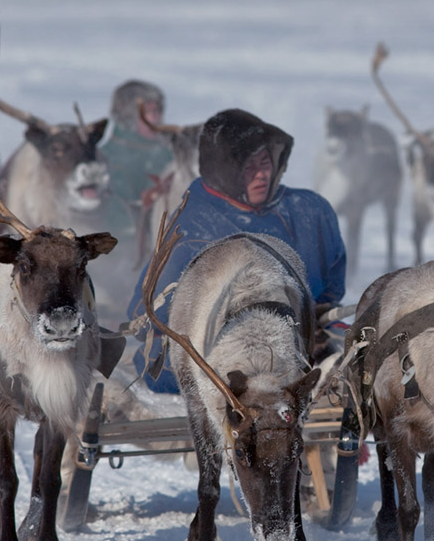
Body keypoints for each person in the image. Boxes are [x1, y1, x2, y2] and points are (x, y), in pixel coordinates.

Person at [128, 107, 347, 394]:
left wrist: (317, 320)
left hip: (301, 351)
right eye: (248, 167)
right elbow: (144, 319)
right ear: (225, 170)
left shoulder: (309, 212)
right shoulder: (192, 230)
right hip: (217, 364)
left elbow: (330, 291)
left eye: (265, 162)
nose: (261, 175)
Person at [98, 80, 176, 241]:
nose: (156, 117)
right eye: (147, 112)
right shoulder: (111, 157)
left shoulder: (168, 150)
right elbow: (117, 214)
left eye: (158, 110)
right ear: (129, 117)